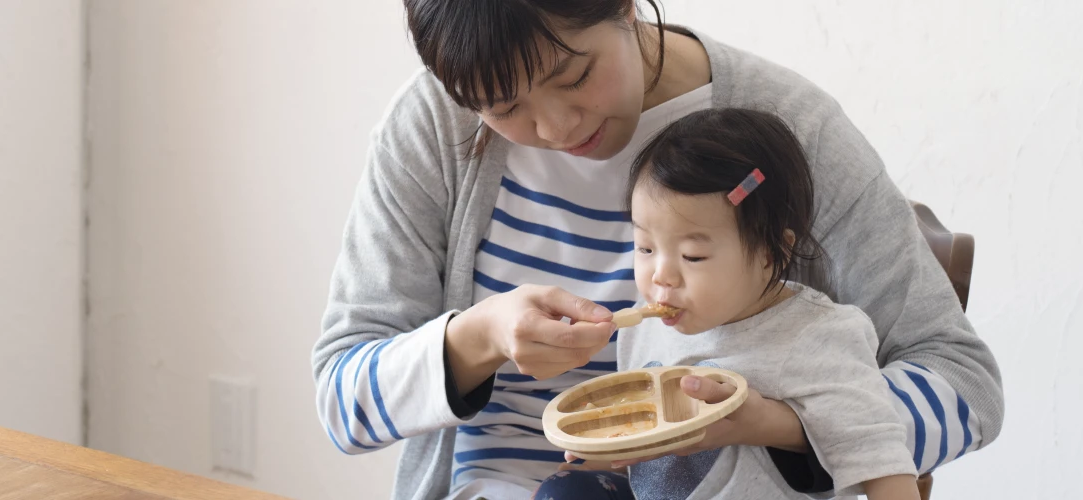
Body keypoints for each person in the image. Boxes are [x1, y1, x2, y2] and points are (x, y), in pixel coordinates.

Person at [311, 1, 1002, 499]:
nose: (553, 126)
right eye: (501, 106)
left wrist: (787, 426)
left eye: (574, 75)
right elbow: (343, 402)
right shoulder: (434, 124)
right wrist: (478, 338)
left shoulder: (787, 133)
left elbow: (965, 384)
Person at [577, 107, 915, 500]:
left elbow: (881, 460)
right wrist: (600, 446)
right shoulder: (646, 329)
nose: (661, 276)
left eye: (693, 256)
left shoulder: (819, 336)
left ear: (772, 253)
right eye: (645, 247)